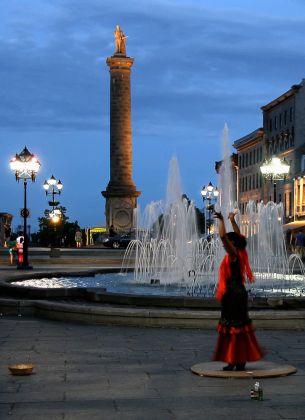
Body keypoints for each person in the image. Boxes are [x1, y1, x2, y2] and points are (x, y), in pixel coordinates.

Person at [213, 211, 264, 371]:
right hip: (238, 294)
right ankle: (237, 359)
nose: (224, 245)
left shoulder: (234, 255)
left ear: (233, 244)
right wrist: (232, 220)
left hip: (233, 296)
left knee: (232, 327)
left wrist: (221, 221)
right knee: (239, 327)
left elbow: (223, 237)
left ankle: (234, 359)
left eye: (228, 243)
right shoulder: (240, 253)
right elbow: (238, 235)